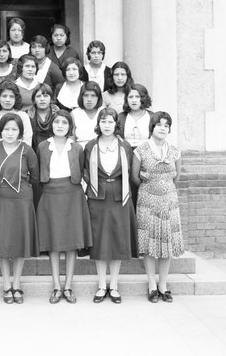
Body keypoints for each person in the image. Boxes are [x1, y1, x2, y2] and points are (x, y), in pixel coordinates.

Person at [36, 110, 92, 304]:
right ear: (52, 124)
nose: (60, 126)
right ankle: (56, 286)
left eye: (64, 123)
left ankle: (68, 286)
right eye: (57, 122)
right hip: (50, 195)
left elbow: (83, 170)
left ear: (70, 127)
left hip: (72, 195)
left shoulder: (76, 148)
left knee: (71, 243)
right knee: (53, 242)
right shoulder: (43, 146)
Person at [84, 108, 136, 304]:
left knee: (117, 240)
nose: (107, 125)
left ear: (116, 124)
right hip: (98, 197)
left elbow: (129, 170)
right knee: (99, 241)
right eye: (103, 121)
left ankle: (113, 285)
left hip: (119, 196)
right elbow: (85, 171)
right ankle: (101, 285)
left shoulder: (125, 146)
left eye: (110, 121)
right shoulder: (90, 146)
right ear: (99, 124)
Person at [0, 113, 39, 304]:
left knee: (18, 242)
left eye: (14, 129)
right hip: (0, 199)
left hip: (22, 199)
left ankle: (17, 283)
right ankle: (6, 284)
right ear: (0, 130)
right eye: (6, 129)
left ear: (21, 132)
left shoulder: (27, 150)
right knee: (3, 242)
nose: (10, 133)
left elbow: (35, 176)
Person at [132, 111, 183, 303]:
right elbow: (135, 177)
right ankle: (152, 285)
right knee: (149, 244)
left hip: (169, 202)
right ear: (152, 127)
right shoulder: (141, 150)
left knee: (166, 243)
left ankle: (163, 285)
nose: (163, 128)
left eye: (166, 125)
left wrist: (164, 189)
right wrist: (152, 187)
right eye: (159, 124)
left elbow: (176, 177)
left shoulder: (175, 151)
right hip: (147, 200)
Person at [0, 80, 33, 148]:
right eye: (4, 96)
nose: (7, 100)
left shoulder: (23, 116)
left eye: (11, 96)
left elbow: (27, 141)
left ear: (16, 98)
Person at [25, 83, 59, 152]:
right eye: (38, 96)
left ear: (51, 98)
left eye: (45, 96)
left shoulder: (58, 115)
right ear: (34, 99)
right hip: (33, 151)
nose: (42, 99)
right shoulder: (28, 115)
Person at [71, 81, 106, 148]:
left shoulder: (104, 112)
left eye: (93, 96)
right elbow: (71, 141)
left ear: (98, 98)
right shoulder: (74, 114)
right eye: (86, 95)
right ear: (81, 97)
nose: (89, 99)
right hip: (81, 152)